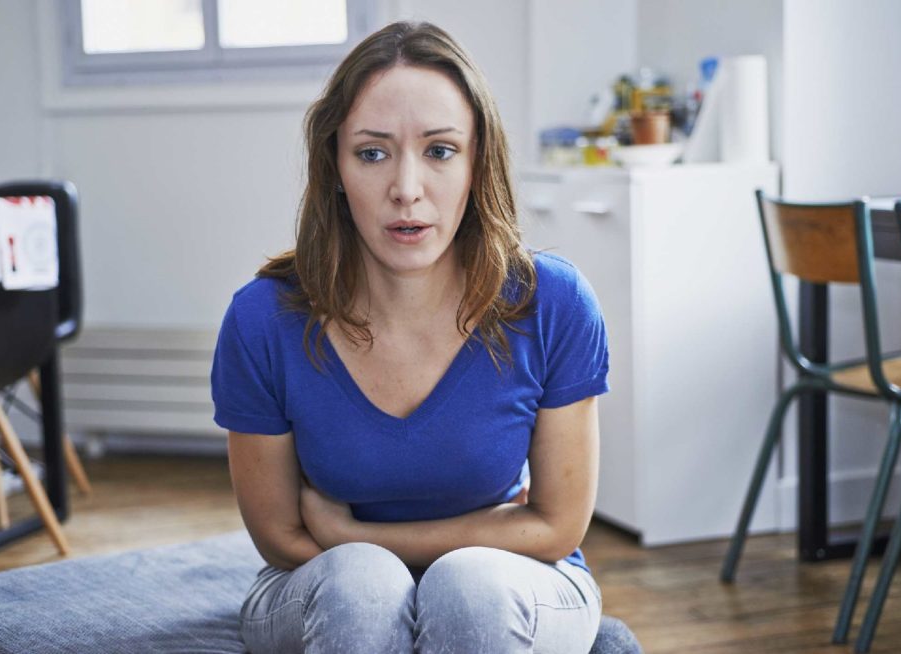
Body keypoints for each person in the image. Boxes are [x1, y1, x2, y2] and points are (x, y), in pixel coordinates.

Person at [211, 20, 608, 654]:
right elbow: (282, 537)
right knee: (362, 587)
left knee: (466, 585)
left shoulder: (553, 303)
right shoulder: (263, 320)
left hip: (514, 578)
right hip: (319, 578)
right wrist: (358, 558)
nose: (406, 189)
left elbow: (557, 528)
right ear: (335, 165)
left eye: (441, 151)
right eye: (372, 152)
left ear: (477, 163)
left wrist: (358, 538)